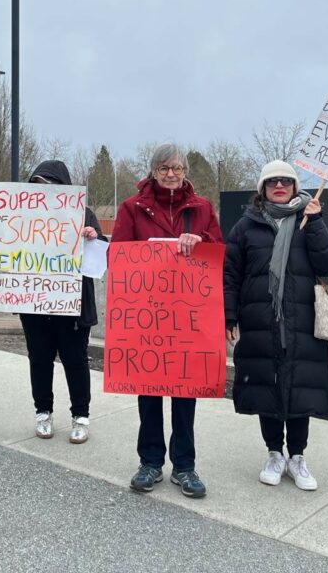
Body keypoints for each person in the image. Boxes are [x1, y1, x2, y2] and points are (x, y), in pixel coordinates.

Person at [223, 160, 328, 491]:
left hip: (303, 321)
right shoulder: (246, 226)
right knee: (267, 383)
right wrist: (229, 317)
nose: (280, 186)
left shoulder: (309, 220)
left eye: (286, 181)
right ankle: (274, 453)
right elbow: (231, 274)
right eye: (272, 181)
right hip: (261, 320)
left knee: (300, 384)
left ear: (294, 186)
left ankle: (298, 457)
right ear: (262, 189)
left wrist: (317, 222)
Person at [111, 143, 222, 499]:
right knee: (149, 392)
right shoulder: (132, 208)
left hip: (189, 317)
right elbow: (118, 257)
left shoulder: (202, 209)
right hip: (147, 317)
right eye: (164, 168)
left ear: (184, 171)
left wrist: (199, 240)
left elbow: (219, 252)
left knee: (185, 393)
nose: (171, 174)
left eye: (176, 168)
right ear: (153, 171)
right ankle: (150, 462)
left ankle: (185, 466)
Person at [18, 160, 106, 444]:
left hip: (73, 306)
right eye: (39, 186)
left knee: (75, 361)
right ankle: (43, 412)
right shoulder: (23, 215)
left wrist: (94, 237)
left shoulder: (84, 214)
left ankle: (80, 415)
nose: (46, 192)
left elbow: (100, 257)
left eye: (52, 186)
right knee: (40, 361)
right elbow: (8, 246)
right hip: (36, 305)